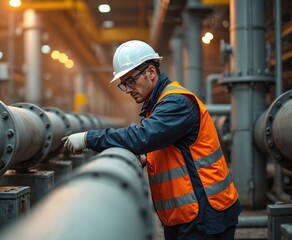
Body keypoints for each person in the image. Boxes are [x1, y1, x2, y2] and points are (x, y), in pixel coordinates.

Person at [62, 40, 242, 239]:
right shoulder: (157, 105)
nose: (128, 89)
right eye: (124, 84)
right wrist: (147, 156)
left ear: (151, 72)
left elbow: (144, 137)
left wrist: (89, 138)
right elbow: (165, 145)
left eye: (131, 81)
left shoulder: (176, 102)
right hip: (186, 213)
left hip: (206, 213)